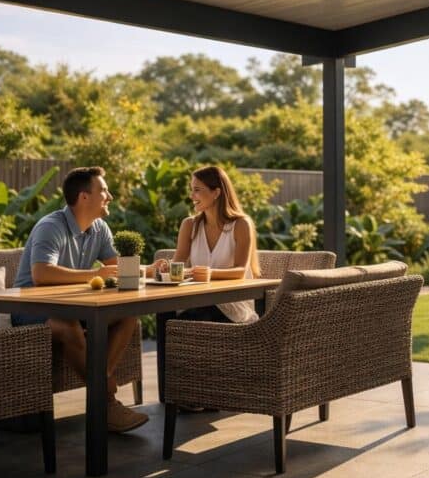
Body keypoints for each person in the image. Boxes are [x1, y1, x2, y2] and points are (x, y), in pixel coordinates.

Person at [13, 166, 147, 433]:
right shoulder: (51, 226)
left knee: (129, 315)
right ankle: (106, 400)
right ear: (84, 197)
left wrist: (153, 270)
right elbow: (41, 274)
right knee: (69, 326)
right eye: (104, 190)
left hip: (72, 306)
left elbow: (116, 267)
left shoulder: (99, 228)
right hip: (30, 309)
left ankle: (102, 382)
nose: (109, 195)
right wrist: (95, 274)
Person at [152, 165, 260, 324]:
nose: (191, 196)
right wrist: (167, 268)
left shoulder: (241, 224)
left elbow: (240, 272)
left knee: (192, 316)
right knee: (163, 309)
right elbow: (178, 264)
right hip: (198, 299)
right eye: (191, 190)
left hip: (232, 303)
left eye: (197, 190)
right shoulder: (189, 225)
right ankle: (167, 350)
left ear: (216, 193)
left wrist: (204, 273)